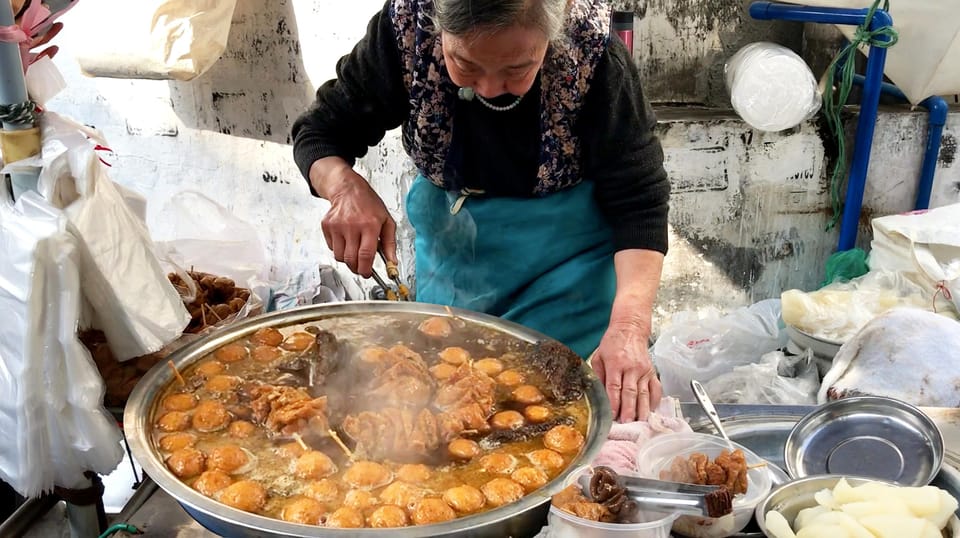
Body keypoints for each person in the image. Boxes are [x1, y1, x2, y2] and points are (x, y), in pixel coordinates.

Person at [292, 0, 670, 422]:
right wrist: (344, 189)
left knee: (555, 414)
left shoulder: (593, 55)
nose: (488, 89)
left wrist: (629, 329)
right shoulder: (405, 31)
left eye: (516, 70)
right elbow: (320, 132)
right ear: (438, 27)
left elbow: (640, 202)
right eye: (465, 64)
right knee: (438, 404)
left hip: (567, 269)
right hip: (454, 252)